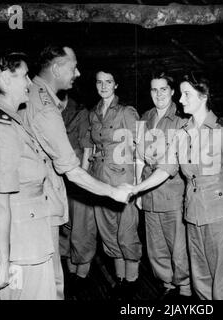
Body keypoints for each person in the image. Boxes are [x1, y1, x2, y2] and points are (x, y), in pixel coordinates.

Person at [18, 46, 132, 300]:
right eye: (73, 67)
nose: (78, 73)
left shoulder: (32, 94)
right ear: (57, 68)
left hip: (32, 202)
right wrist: (113, 192)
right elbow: (71, 168)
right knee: (43, 288)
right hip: (36, 204)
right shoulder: (46, 107)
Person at [129, 73, 223, 300]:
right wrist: (136, 189)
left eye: (186, 94)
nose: (180, 100)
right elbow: (165, 168)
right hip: (192, 214)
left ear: (204, 96)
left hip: (222, 215)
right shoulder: (182, 135)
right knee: (201, 280)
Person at [0, 52, 58, 299]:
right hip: (19, 248)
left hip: (28, 238)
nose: (30, 83)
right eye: (24, 76)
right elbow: (0, 202)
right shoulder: (3, 128)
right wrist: (4, 261)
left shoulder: (13, 120)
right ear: (4, 80)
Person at [81, 69, 141, 299]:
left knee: (126, 233)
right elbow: (93, 148)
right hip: (100, 180)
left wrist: (138, 185)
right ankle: (120, 280)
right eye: (99, 82)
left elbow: (139, 148)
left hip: (123, 180)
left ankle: (132, 281)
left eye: (108, 82)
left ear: (116, 85)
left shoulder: (126, 112)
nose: (104, 86)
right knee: (108, 233)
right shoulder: (93, 113)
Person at [135, 71, 191, 300]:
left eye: (163, 89)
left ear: (172, 91)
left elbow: (176, 163)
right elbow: (139, 156)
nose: (158, 94)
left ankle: (185, 287)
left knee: (178, 246)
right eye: (154, 89)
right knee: (156, 246)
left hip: (172, 193)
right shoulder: (145, 117)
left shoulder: (181, 118)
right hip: (149, 192)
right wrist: (139, 190)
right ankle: (167, 284)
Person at [57, 90, 94, 296]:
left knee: (82, 230)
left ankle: (82, 276)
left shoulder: (80, 112)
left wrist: (83, 181)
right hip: (60, 180)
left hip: (78, 177)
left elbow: (87, 150)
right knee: (65, 227)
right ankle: (71, 274)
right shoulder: (50, 111)